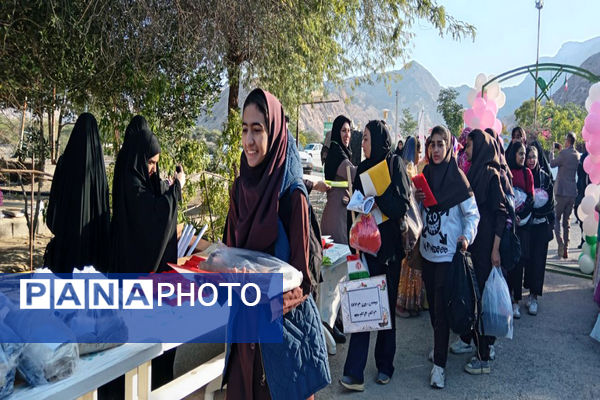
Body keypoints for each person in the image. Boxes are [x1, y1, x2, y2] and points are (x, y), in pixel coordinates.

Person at [223, 88, 330, 400]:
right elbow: (230, 255)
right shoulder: (239, 189)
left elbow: (303, 279)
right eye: (244, 129)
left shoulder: (291, 196)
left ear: (275, 132)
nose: (249, 141)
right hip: (244, 339)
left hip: (281, 345)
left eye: (258, 129)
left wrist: (264, 297)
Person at [340, 120, 410, 391]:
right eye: (363, 138)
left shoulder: (394, 165)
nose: (364, 143)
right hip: (365, 248)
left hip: (389, 250)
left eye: (367, 138)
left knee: (385, 310)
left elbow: (402, 204)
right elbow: (356, 210)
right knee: (363, 305)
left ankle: (385, 364)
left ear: (380, 140)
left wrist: (378, 197)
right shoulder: (362, 170)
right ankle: (353, 372)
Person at [415, 126, 479, 389]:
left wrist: (466, 237)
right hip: (427, 253)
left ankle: (439, 366)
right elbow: (420, 214)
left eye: (441, 144)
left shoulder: (458, 179)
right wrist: (417, 199)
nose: (436, 150)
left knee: (441, 310)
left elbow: (473, 215)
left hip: (448, 256)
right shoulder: (425, 175)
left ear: (450, 147)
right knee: (433, 307)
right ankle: (438, 346)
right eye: (433, 145)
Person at [110, 115, 185, 273]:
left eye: (156, 164)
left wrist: (170, 186)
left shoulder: (137, 176)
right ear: (140, 158)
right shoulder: (132, 184)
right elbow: (153, 214)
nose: (154, 169)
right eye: (150, 162)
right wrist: (177, 186)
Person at [463, 128, 508, 376]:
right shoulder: (475, 172)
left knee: (483, 301)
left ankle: (484, 356)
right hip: (476, 245)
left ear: (480, 147)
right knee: (477, 297)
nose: (467, 151)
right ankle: (482, 347)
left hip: (487, 248)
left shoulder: (491, 175)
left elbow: (501, 215)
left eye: (469, 146)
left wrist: (495, 250)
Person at [44, 113, 110, 273]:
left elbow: (54, 208)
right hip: (93, 255)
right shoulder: (99, 171)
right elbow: (104, 213)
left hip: (65, 252)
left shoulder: (64, 164)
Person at [524, 145, 555, 315]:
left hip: (541, 225)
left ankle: (534, 296)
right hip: (525, 226)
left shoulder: (544, 178)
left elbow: (550, 203)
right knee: (527, 260)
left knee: (538, 261)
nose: (531, 160)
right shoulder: (521, 175)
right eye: (528, 156)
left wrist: (539, 210)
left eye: (534, 157)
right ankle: (525, 290)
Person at [505, 141, 534, 319]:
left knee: (520, 262)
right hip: (509, 224)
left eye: (525, 154)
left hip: (523, 226)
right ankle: (507, 299)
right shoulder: (507, 172)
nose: (523, 157)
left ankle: (516, 301)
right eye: (520, 154)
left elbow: (530, 198)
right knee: (508, 263)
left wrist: (520, 215)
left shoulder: (527, 173)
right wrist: (511, 214)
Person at [321, 115, 356, 245]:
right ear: (336, 132)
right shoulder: (336, 154)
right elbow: (353, 174)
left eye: (349, 131)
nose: (347, 135)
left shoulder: (341, 153)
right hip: (336, 218)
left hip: (340, 215)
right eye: (343, 131)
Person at [550, 131, 580, 259]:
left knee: (557, 218)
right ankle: (566, 247)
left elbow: (552, 163)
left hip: (561, 191)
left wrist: (552, 151)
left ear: (567, 140)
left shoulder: (563, 154)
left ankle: (560, 242)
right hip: (572, 192)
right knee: (567, 221)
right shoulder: (577, 155)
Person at [575, 149, 590, 248]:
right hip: (582, 191)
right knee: (581, 216)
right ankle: (583, 239)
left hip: (593, 192)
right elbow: (579, 173)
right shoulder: (584, 157)